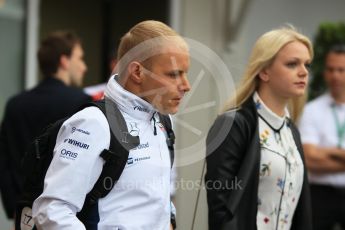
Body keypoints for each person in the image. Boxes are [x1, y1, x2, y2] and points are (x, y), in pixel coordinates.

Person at [32, 20, 191, 229]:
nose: (186, 86)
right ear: (137, 73)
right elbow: (52, 209)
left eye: (185, 73)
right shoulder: (94, 122)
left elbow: (151, 198)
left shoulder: (163, 120)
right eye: (173, 74)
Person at [205, 26, 313, 230]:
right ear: (264, 71)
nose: (304, 72)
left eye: (307, 64)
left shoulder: (292, 131)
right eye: (292, 64)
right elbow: (220, 206)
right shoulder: (233, 124)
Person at [0, 30, 90, 219]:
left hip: (23, 213)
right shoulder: (80, 103)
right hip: (63, 215)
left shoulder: (15, 104)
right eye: (80, 58)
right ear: (64, 61)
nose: (84, 67)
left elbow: (4, 162)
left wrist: (15, 207)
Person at [299, 44, 345, 230]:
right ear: (324, 72)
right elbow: (309, 159)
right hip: (319, 195)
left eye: (341, 70)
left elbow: (317, 155)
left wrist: (326, 152)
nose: (335, 75)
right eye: (330, 69)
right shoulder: (311, 110)